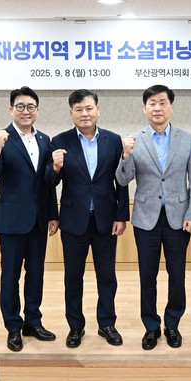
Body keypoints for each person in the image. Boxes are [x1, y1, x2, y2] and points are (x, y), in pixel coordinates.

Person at [115, 84, 191, 350]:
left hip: (179, 218)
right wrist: (125, 156)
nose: (157, 108)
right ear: (144, 108)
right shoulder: (134, 140)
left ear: (171, 107)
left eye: (163, 102)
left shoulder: (186, 139)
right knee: (147, 276)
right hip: (146, 218)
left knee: (177, 275)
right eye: (152, 103)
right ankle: (151, 327)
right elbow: (122, 179)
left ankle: (172, 325)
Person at [45, 89, 129, 348]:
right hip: (73, 220)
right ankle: (75, 326)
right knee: (73, 277)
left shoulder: (113, 140)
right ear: (71, 113)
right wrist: (55, 167)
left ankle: (107, 324)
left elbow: (121, 180)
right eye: (79, 109)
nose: (85, 113)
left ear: (98, 110)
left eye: (89, 108)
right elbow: (49, 183)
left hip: (106, 219)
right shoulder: (59, 141)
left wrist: (121, 215)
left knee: (107, 276)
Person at [0, 86, 59, 352]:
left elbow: (48, 182)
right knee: (10, 276)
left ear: (37, 110)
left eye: (31, 106)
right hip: (11, 221)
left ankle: (33, 322)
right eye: (20, 106)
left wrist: (53, 214)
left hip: (38, 220)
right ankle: (13, 327)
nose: (26, 111)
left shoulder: (45, 140)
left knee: (36, 274)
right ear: (11, 109)